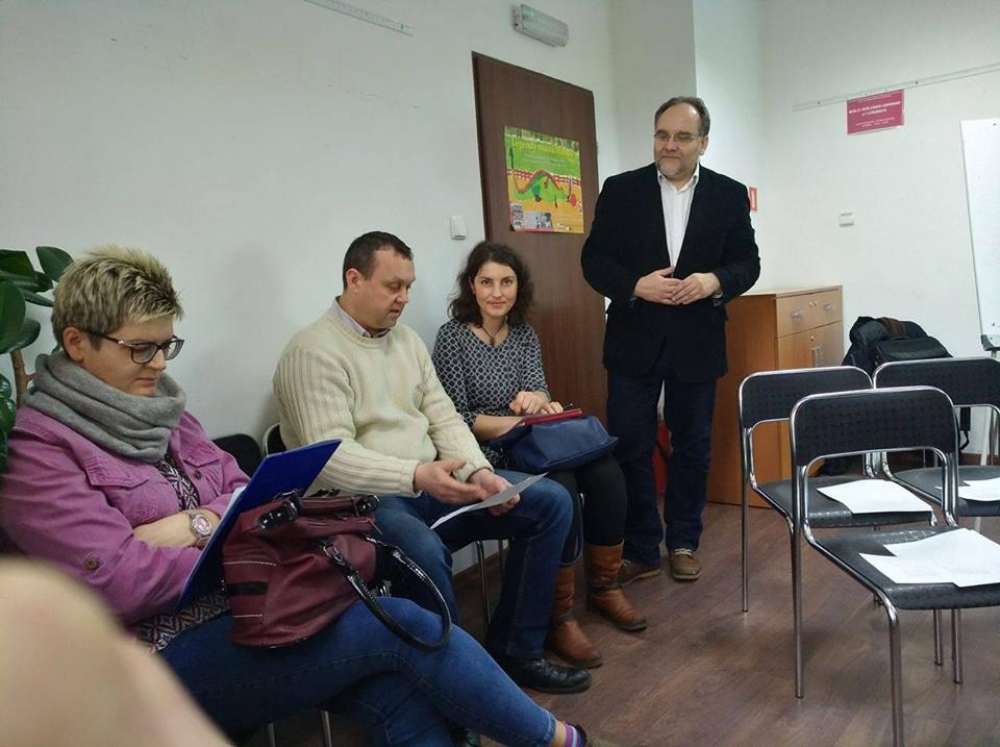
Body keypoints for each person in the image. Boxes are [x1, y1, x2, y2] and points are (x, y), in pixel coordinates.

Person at [0, 246, 613, 746]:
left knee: (401, 686)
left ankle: (516, 686)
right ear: (77, 342)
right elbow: (120, 583)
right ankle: (558, 740)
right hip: (160, 651)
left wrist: (193, 524)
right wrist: (223, 534)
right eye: (141, 347)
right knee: (400, 622)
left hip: (258, 600)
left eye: (167, 345)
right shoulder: (41, 452)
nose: (159, 363)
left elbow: (246, 495)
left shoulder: (161, 410)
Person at [273, 231, 590, 695]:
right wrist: (416, 475)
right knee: (422, 551)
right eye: (393, 286)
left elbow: (443, 417)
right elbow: (333, 458)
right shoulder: (311, 352)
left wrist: (479, 472)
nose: (404, 298)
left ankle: (516, 650)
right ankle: (455, 689)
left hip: (429, 484)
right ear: (354, 280)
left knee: (551, 503)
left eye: (409, 287)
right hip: (361, 503)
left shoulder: (406, 341)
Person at [431, 241, 647, 670]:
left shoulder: (524, 333)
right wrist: (514, 421)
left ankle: (604, 586)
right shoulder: (452, 337)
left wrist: (537, 400)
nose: (497, 292)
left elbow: (539, 388)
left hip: (529, 439)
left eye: (506, 282)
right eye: (487, 282)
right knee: (559, 484)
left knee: (606, 472)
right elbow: (453, 417)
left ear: (519, 286)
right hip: (484, 450)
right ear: (471, 286)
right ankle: (558, 613)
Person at [581, 96, 761, 584]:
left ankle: (683, 541)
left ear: (704, 142)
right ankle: (642, 546)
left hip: (697, 341)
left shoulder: (727, 194)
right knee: (630, 446)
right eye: (662, 134)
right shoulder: (621, 190)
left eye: (682, 136)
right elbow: (594, 261)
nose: (670, 145)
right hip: (633, 339)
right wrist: (635, 285)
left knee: (693, 446)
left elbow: (748, 263)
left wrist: (713, 281)